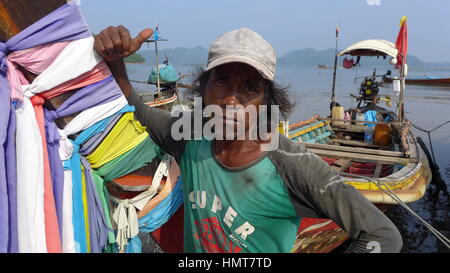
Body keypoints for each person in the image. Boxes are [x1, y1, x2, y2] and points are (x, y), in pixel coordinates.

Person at [94, 25, 403, 253]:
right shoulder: (189, 136)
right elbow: (140, 111)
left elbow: (382, 235)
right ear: (204, 87)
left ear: (265, 101)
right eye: (223, 81)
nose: (231, 100)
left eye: (249, 88)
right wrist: (116, 63)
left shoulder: (290, 162)